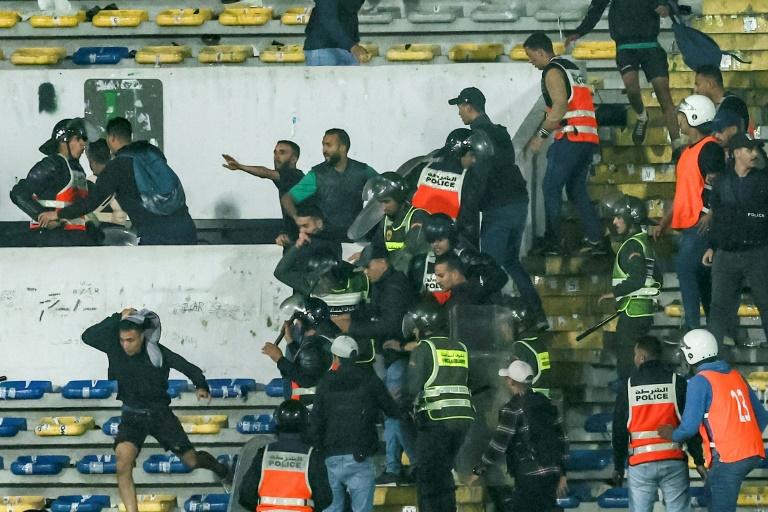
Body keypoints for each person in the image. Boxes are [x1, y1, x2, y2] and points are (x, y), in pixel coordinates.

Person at [82, 309, 231, 512]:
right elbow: (87, 336)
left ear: (142, 336)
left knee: (192, 461)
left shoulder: (158, 353)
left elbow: (190, 368)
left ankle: (220, 468)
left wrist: (201, 386)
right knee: (122, 463)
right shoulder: (115, 348)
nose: (125, 345)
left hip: (161, 416)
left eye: (130, 340)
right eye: (122, 340)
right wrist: (118, 316)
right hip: (132, 415)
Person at [39, 117, 197, 245]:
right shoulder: (152, 154)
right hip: (186, 228)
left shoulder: (117, 166)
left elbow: (90, 203)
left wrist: (57, 214)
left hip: (156, 237)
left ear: (111, 138)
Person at [658, 329, 768, 512]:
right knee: (711, 492)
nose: (682, 359)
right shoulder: (735, 375)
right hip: (752, 452)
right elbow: (762, 416)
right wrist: (745, 439)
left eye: (684, 354)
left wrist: (672, 434)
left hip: (729, 458)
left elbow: (689, 428)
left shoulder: (700, 381)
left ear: (692, 355)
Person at [523, 33, 605, 256]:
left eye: (531, 57)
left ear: (541, 52)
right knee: (576, 189)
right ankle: (596, 238)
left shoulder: (552, 71)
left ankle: (554, 242)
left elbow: (559, 107)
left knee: (550, 187)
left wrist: (540, 134)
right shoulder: (571, 68)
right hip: (587, 138)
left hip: (571, 137)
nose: (531, 62)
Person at [344, 244, 418, 484]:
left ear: (382, 261)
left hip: (399, 359)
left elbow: (390, 326)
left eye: (368, 266)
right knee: (393, 414)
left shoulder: (394, 286)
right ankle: (399, 466)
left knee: (395, 413)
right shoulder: (383, 285)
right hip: (391, 359)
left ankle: (408, 465)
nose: (365, 271)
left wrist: (351, 327)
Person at [566, 0, 681, 151]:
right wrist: (580, 31)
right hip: (625, 46)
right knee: (632, 90)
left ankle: (677, 145)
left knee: (664, 94)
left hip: (650, 43)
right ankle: (642, 116)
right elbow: (596, 8)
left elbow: (670, 3)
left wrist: (669, 8)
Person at [652, 95, 723, 331]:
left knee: (685, 269)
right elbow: (682, 192)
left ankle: (693, 328)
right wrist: (664, 222)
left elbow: (718, 184)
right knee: (702, 280)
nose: (679, 120)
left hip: (700, 225)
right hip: (689, 225)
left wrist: (709, 212)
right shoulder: (688, 151)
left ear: (694, 117)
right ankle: (716, 329)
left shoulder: (710, 149)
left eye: (682, 116)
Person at [613, 336, 706, 512]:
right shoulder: (676, 382)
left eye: (635, 355)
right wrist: (699, 460)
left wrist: (618, 466)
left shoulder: (628, 386)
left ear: (641, 357)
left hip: (640, 463)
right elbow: (690, 425)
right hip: (673, 460)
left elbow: (619, 430)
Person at [310, 335, 400, 512]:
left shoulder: (325, 382)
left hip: (331, 456)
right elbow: (392, 411)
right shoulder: (369, 379)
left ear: (335, 357)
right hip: (359, 456)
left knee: (332, 507)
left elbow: (316, 420)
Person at [448, 87, 534, 261]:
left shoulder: (476, 138)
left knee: (489, 266)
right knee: (511, 263)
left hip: (497, 207)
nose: (459, 113)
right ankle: (527, 290)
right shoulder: (500, 132)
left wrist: (463, 217)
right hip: (519, 202)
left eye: (459, 107)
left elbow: (479, 179)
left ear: (468, 107)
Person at [469, 360, 567, 512]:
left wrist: (479, 469)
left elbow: (499, 444)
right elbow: (561, 439)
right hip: (552, 474)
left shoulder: (513, 409)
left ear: (511, 382)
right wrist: (563, 473)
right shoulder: (547, 403)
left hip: (529, 474)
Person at [403, 300, 474, 512]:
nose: (414, 331)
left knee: (428, 478)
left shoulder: (425, 349)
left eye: (415, 327)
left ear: (423, 326)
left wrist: (400, 407)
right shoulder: (460, 347)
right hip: (463, 422)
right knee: (444, 474)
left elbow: (412, 388)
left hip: (436, 421)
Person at [704, 134, 768, 346]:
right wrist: (712, 246)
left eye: (755, 150)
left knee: (766, 304)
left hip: (757, 252)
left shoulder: (764, 180)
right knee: (719, 308)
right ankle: (713, 359)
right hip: (727, 253)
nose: (754, 153)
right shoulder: (722, 183)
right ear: (736, 152)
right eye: (749, 150)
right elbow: (717, 217)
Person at [10, 117, 100, 246]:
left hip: (75, 237)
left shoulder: (77, 169)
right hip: (54, 239)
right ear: (64, 141)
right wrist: (41, 215)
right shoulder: (52, 164)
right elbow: (18, 193)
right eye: (77, 138)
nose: (83, 144)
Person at [600, 195, 662, 382]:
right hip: (643, 312)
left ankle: (628, 404)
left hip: (632, 313)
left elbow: (638, 277)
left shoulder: (632, 245)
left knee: (627, 366)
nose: (614, 221)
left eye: (619, 217)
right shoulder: (645, 243)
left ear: (631, 219)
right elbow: (657, 277)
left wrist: (614, 293)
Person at [281, 129, 377, 242]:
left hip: (355, 239)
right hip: (325, 238)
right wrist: (297, 217)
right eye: (323, 145)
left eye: (329, 145)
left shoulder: (363, 171)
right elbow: (288, 198)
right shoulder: (317, 174)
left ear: (342, 148)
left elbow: (384, 190)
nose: (324, 150)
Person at [238, 400, 332, 512]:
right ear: (306, 423)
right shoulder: (312, 456)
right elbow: (324, 498)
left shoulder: (264, 454)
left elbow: (245, 495)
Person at [406, 128, 485, 246]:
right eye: (471, 155)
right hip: (446, 243)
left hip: (417, 238)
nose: (474, 160)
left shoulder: (422, 169)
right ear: (458, 154)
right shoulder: (467, 179)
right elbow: (468, 222)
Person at [409, 213, 509, 308]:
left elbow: (500, 277)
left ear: (450, 237)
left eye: (440, 240)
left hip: (466, 313)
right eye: (432, 240)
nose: (435, 245)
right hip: (435, 318)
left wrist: (478, 293)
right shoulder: (422, 262)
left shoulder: (467, 259)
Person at [221, 141, 305, 246]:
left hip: (302, 239)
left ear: (294, 159)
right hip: (294, 238)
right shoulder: (287, 179)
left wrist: (240, 166)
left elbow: (267, 173)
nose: (276, 156)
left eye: (282, 152)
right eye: (275, 153)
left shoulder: (294, 176)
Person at [261, 297, 337, 405]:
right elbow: (306, 364)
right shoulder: (320, 341)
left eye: (298, 321)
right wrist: (290, 341)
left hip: (311, 406)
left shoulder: (314, 346)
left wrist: (279, 359)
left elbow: (305, 379)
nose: (296, 324)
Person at [364, 172, 429, 272]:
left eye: (386, 202)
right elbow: (377, 247)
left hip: (412, 275)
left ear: (399, 199)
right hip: (393, 274)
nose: (383, 207)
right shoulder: (385, 220)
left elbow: (408, 255)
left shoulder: (417, 217)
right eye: (380, 202)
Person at [273, 205, 343, 292]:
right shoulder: (304, 241)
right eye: (299, 227)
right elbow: (280, 273)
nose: (302, 231)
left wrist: (297, 245)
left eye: (305, 226)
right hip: (312, 287)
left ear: (318, 222)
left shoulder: (330, 240)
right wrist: (296, 245)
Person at [303, 0, 370, 66]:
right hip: (323, 48)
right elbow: (327, 17)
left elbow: (350, 8)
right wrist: (352, 46)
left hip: (348, 48)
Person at [694, 65, 750, 133]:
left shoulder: (733, 103)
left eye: (698, 84)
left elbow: (717, 128)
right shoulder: (713, 106)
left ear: (710, 84)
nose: (695, 90)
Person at [85, 138, 128, 227]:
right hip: (125, 235)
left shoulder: (87, 185)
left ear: (91, 159)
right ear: (110, 157)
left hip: (100, 237)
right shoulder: (124, 181)